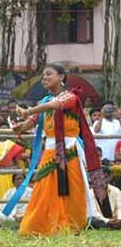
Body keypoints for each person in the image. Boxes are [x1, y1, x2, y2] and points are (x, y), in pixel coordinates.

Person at [7, 64, 102, 236]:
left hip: (69, 148)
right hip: (51, 149)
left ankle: (71, 226)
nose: (45, 78)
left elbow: (55, 105)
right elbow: (33, 121)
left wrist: (28, 111)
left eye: (49, 74)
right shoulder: (43, 102)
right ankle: (40, 227)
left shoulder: (70, 97)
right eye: (43, 75)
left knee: (71, 188)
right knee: (43, 187)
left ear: (61, 77)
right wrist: (19, 127)